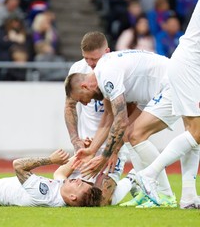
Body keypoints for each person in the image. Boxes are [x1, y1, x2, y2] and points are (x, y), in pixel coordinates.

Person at [65, 49, 180, 208]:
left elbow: (121, 120)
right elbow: (108, 118)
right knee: (129, 135)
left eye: (81, 100)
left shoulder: (105, 76)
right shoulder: (101, 73)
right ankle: (148, 192)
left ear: (84, 86)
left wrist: (104, 157)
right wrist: (92, 150)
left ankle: (166, 196)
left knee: (136, 135)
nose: (85, 104)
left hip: (172, 83)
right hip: (157, 88)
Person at [136, 0, 200, 210]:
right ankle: (148, 174)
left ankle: (189, 197)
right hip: (189, 66)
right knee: (197, 133)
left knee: (194, 134)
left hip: (191, 66)